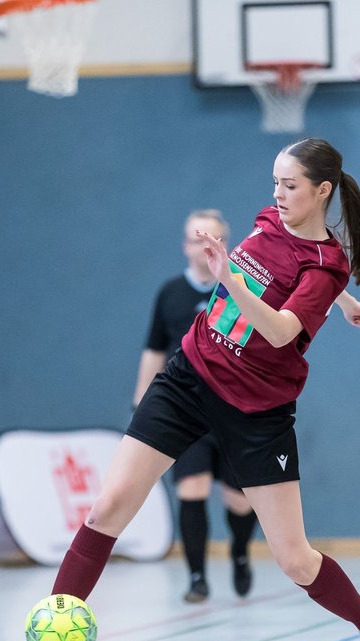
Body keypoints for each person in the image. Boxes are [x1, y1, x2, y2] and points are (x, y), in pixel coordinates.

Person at [0, 137, 360, 641]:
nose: (277, 195)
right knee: (108, 506)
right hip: (189, 376)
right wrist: (347, 305)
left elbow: (283, 330)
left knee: (295, 559)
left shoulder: (329, 264)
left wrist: (234, 278)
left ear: (322, 190)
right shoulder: (268, 221)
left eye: (290, 185)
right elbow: (287, 276)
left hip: (258, 409)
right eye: (275, 183)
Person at [133, 210, 259, 604]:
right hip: (186, 408)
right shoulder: (170, 293)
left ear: (225, 243)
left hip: (235, 409)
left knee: (239, 500)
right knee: (193, 488)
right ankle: (197, 577)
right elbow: (154, 349)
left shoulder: (242, 289)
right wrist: (142, 400)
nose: (201, 247)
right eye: (193, 239)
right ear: (184, 246)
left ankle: (239, 553)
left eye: (211, 239)